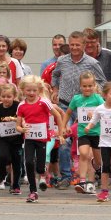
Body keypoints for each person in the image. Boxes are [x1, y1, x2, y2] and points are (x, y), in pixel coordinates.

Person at [51, 31, 106, 189]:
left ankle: (94, 172)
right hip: (66, 104)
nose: (74, 48)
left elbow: (102, 81)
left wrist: (93, 94)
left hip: (86, 107)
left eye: (78, 45)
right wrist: (55, 90)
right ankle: (66, 176)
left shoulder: (92, 62)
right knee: (64, 139)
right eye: (72, 45)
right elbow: (55, 75)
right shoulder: (62, 60)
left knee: (90, 143)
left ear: (84, 45)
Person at [15, 75, 66, 203]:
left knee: (39, 167)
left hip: (42, 139)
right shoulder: (21, 105)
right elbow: (18, 126)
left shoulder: (44, 102)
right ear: (23, 90)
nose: (31, 93)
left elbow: (58, 116)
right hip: (29, 138)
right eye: (28, 90)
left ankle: (42, 171)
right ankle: (33, 191)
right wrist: (22, 129)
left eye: (34, 90)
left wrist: (60, 134)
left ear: (39, 90)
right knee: (28, 162)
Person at [60, 71, 104, 195]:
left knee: (97, 161)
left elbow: (105, 112)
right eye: (84, 86)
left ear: (94, 86)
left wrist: (95, 114)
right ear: (80, 86)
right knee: (84, 154)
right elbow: (68, 113)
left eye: (90, 86)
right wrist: (63, 126)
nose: (87, 88)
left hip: (96, 133)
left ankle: (97, 169)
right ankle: (85, 182)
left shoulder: (97, 98)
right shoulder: (77, 99)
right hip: (83, 132)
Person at [0, 83, 23, 194]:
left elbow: (25, 118)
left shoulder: (18, 106)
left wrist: (13, 119)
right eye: (3, 96)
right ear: (0, 97)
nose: (6, 99)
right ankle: (0, 177)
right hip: (3, 139)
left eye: (9, 96)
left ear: (14, 96)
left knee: (16, 162)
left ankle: (15, 186)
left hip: (17, 139)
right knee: (3, 156)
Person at [83, 29, 111, 94]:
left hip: (106, 98)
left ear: (97, 40)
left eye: (92, 42)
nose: (89, 45)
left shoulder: (109, 55)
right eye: (86, 42)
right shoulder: (79, 57)